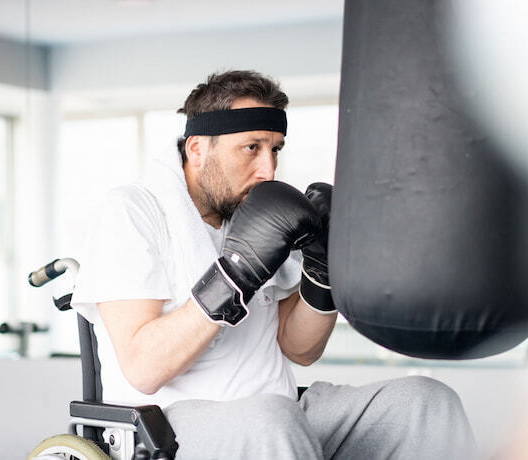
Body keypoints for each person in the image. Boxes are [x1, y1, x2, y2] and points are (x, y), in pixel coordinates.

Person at [71, 70, 475, 459]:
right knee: (272, 420)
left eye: (275, 149)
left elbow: (299, 350)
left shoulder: (254, 215)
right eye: (252, 147)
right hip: (172, 427)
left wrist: (322, 271)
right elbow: (144, 367)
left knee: (425, 403)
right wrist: (232, 277)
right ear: (197, 148)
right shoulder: (131, 211)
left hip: (282, 412)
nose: (268, 170)